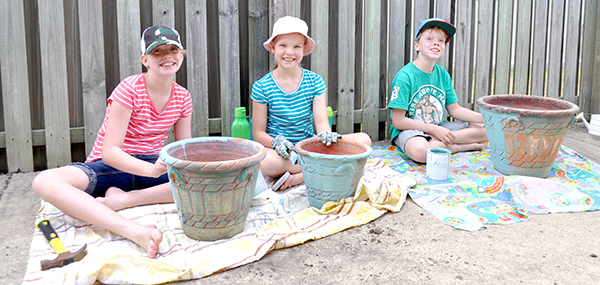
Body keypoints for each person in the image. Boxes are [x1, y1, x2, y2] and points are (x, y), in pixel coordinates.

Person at [32, 25, 192, 259]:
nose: (167, 56)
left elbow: (182, 150)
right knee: (44, 181)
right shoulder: (129, 89)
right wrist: (152, 170)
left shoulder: (182, 96)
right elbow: (110, 152)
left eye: (173, 50)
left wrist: (186, 170)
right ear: (145, 59)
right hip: (111, 167)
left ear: (181, 55)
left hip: (151, 168)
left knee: (200, 179)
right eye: (157, 52)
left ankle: (125, 199)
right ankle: (133, 230)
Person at [252, 16, 371, 190]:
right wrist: (276, 142)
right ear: (273, 48)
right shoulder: (262, 86)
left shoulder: (315, 81)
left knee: (364, 140)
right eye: (283, 45)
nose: (289, 52)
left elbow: (322, 123)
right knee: (265, 162)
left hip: (308, 147)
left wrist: (326, 136)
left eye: (296, 47)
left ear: (304, 49)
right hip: (280, 154)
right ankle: (325, 168)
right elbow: (258, 133)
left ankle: (299, 177)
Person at [387, 18, 487, 163]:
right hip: (410, 132)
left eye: (441, 40)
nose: (436, 43)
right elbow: (398, 121)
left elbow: (455, 110)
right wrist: (433, 130)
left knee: (487, 130)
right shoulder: (405, 76)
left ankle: (440, 143)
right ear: (417, 46)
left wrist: (486, 119)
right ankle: (456, 147)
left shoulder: (442, 74)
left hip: (438, 128)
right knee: (421, 153)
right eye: (429, 39)